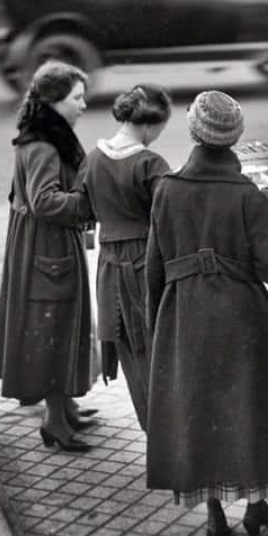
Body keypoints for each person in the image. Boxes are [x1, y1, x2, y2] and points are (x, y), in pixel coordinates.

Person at [144, 90, 268, 536]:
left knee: (203, 411)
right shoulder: (248, 196)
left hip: (184, 314)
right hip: (242, 316)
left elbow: (153, 267)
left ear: (194, 132)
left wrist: (160, 323)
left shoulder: (167, 190)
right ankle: (257, 505)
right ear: (233, 139)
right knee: (251, 409)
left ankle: (215, 514)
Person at [0, 60, 96, 452]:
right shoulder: (45, 145)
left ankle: (64, 406)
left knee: (60, 324)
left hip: (44, 245)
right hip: (46, 248)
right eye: (77, 98)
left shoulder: (44, 134)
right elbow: (44, 202)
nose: (83, 105)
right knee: (53, 328)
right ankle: (55, 423)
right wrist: (88, 203)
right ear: (54, 102)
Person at [80, 84, 172, 432]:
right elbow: (169, 217)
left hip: (108, 265)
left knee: (131, 351)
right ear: (150, 123)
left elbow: (85, 208)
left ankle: (152, 429)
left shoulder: (93, 158)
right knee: (157, 346)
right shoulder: (150, 163)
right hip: (145, 260)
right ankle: (168, 433)